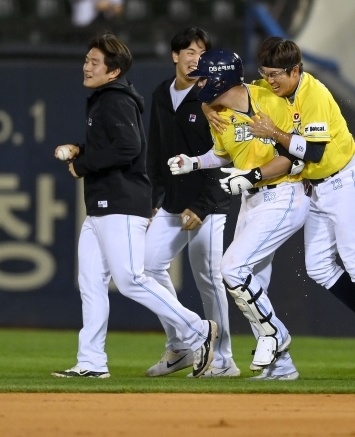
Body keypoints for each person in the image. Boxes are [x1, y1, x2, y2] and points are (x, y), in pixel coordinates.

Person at [243, 37, 355, 378]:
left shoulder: (314, 93)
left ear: (296, 70)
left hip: (345, 181)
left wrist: (272, 131)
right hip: (317, 187)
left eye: (277, 74)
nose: (270, 80)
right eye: (265, 73)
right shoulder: (270, 89)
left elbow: (316, 153)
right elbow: (236, 92)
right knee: (319, 266)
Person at [52, 33, 216, 378]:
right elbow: (113, 144)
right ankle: (92, 362)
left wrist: (83, 164)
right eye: (87, 59)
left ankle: (198, 329)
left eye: (95, 62)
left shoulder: (116, 100)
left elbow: (129, 147)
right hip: (101, 205)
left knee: (130, 279)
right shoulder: (105, 98)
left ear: (113, 72)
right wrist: (83, 150)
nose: (86, 65)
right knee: (92, 283)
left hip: (121, 203)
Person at [170, 49, 308, 380]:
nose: (198, 83)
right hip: (252, 200)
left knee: (232, 268)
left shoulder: (270, 99)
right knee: (251, 284)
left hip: (284, 193)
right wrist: (194, 162)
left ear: (220, 78)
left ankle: (277, 335)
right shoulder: (216, 112)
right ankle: (281, 367)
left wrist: (252, 176)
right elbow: (223, 155)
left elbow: (298, 155)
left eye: (203, 77)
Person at [143, 28, 236, 378]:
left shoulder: (216, 98)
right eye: (189, 51)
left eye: (201, 52)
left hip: (209, 202)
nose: (195, 57)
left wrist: (202, 204)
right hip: (172, 202)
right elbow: (156, 152)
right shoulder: (160, 95)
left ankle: (224, 358)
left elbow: (227, 158)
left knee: (208, 277)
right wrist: (153, 199)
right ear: (175, 56)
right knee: (145, 269)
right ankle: (182, 343)